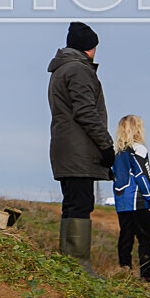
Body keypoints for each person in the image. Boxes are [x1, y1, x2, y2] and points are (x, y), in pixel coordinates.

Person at [47, 22, 114, 278]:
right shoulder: (79, 70)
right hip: (79, 150)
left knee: (73, 203)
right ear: (91, 47)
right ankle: (78, 265)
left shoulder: (62, 69)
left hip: (65, 148)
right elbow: (86, 111)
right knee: (81, 204)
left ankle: (68, 263)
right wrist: (106, 145)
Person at [112, 114, 150, 282]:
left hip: (121, 201)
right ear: (137, 129)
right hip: (138, 199)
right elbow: (142, 174)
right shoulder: (139, 149)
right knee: (145, 238)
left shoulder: (117, 151)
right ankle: (145, 275)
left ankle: (125, 271)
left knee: (126, 236)